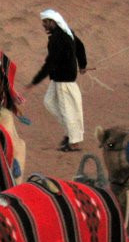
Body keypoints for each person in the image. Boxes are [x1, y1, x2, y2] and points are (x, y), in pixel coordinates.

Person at [26, 8, 88, 152]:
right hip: (59, 79)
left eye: (46, 22)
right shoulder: (67, 33)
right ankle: (71, 132)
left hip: (63, 81)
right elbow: (80, 47)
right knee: (49, 102)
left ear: (53, 22)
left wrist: (35, 81)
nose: (44, 25)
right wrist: (82, 65)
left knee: (67, 110)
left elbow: (50, 63)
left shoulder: (57, 39)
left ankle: (73, 142)